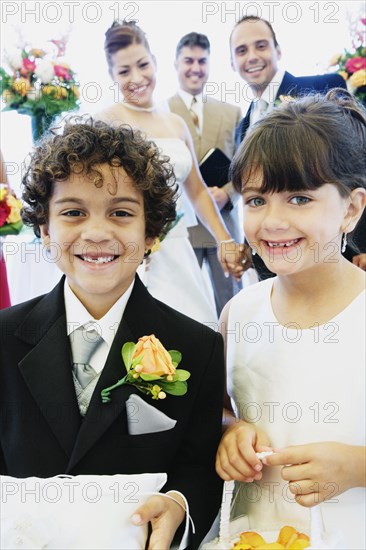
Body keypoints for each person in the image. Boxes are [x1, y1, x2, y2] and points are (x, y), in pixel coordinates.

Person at [0, 119, 226, 549]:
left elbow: (196, 467)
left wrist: (179, 502)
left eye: (121, 213)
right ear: (46, 231)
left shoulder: (198, 347)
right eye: (73, 213)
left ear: (151, 233)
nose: (98, 232)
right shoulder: (4, 337)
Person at [215, 90, 366, 549]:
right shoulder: (239, 314)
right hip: (257, 532)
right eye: (256, 200)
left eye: (299, 198)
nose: (273, 221)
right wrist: (229, 431)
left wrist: (357, 467)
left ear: (351, 209)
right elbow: (219, 405)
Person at [95, 21, 250, 325]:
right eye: (124, 71)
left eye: (142, 65)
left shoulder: (175, 125)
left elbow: (197, 192)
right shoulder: (105, 122)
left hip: (178, 248)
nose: (137, 78)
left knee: (195, 327)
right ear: (111, 75)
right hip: (131, 253)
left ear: (154, 62)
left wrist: (225, 240)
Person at [230, 15, 347, 280]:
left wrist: (362, 245)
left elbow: (355, 167)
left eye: (261, 46)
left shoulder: (321, 88)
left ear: (278, 50)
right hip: (275, 270)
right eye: (241, 50)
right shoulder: (244, 125)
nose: (252, 56)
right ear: (232, 62)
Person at [168, 32, 243, 316]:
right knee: (180, 305)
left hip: (222, 223)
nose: (195, 68)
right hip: (180, 227)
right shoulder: (162, 112)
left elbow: (245, 167)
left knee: (230, 305)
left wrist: (227, 193)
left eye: (202, 61)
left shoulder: (232, 112)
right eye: (188, 60)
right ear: (176, 64)